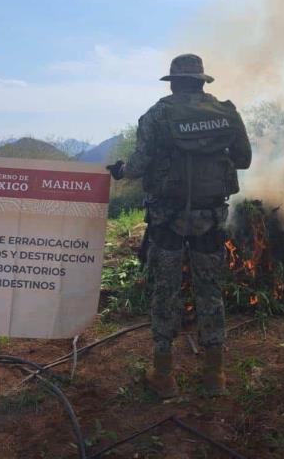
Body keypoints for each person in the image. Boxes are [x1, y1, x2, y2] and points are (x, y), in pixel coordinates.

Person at [107, 54, 252, 397]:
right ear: (202, 82)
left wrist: (120, 171)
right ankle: (214, 376)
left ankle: (163, 376)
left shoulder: (157, 114)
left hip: (167, 220)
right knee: (209, 291)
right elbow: (244, 160)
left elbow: (139, 166)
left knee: (166, 291)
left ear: (173, 82)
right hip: (210, 218)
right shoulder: (226, 113)